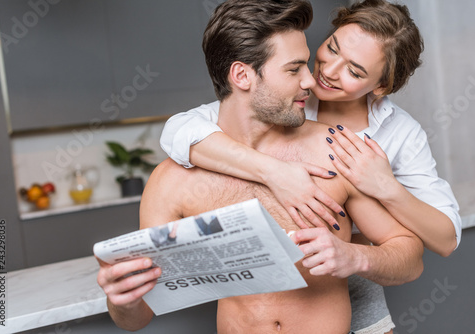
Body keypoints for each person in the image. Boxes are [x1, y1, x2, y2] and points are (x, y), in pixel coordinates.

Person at [96, 1, 424, 333]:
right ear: (242, 75)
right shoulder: (172, 182)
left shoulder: (335, 150)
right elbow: (137, 319)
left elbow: (409, 258)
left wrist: (355, 257)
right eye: (295, 69)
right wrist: (123, 300)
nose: (311, 81)